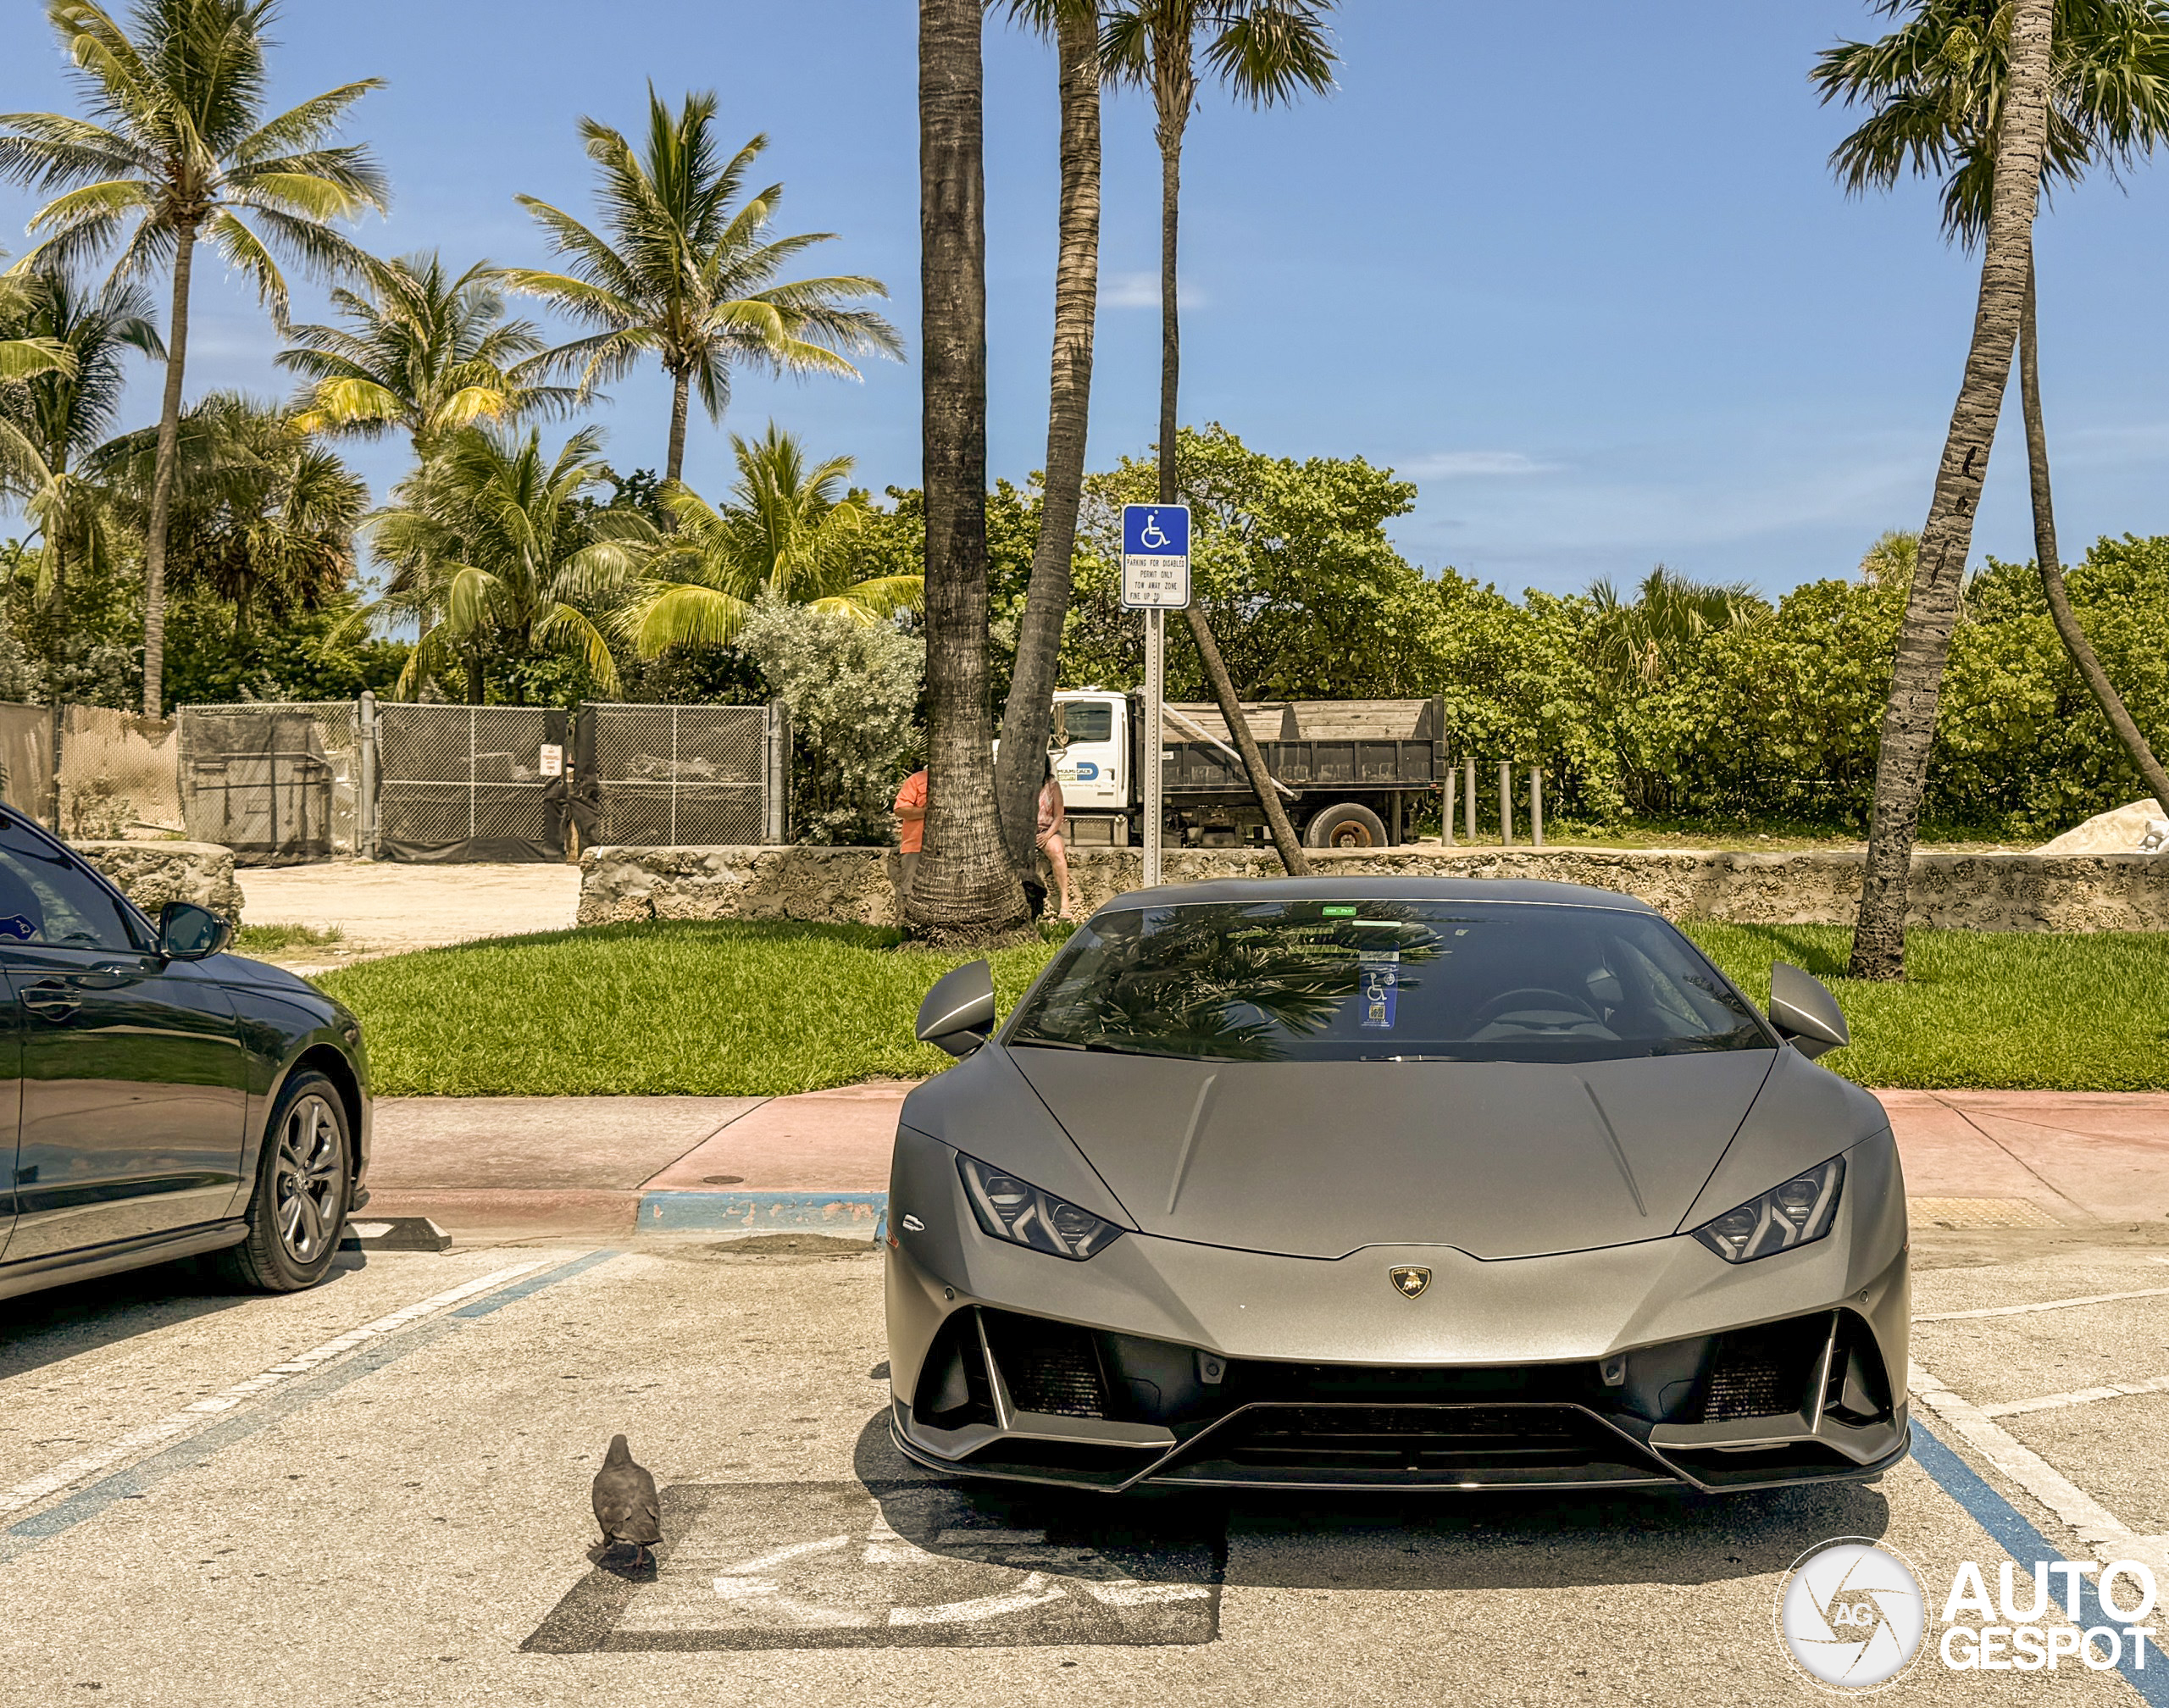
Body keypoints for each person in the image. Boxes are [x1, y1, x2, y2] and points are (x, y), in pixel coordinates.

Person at [1036, 752, 1075, 922]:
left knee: (1057, 851)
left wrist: (1047, 835)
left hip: (1046, 829)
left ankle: (1064, 900)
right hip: (1026, 830)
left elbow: (1059, 815)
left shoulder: (1052, 786)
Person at [893, 766, 927, 902]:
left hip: (950, 848)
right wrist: (927, 812)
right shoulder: (917, 779)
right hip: (915, 847)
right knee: (910, 892)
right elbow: (900, 809)